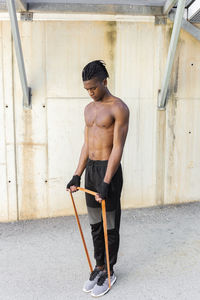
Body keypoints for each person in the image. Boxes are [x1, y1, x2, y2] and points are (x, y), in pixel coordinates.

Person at [66, 60, 129, 297]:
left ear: (104, 81)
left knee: (109, 225)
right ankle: (99, 266)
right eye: (86, 89)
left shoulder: (119, 108)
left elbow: (118, 147)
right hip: (91, 169)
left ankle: (110, 271)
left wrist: (107, 181)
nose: (90, 93)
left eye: (93, 87)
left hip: (108, 170)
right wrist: (76, 174)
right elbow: (87, 144)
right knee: (95, 223)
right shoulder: (89, 109)